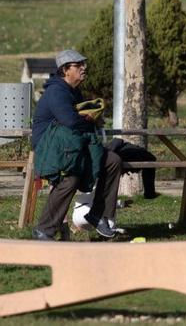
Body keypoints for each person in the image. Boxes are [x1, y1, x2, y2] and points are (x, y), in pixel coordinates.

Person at [30, 49, 124, 240]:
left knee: (112, 160)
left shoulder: (74, 92)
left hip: (71, 147)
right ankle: (44, 230)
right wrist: (90, 119)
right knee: (70, 178)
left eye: (84, 64)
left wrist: (90, 118)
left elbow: (78, 122)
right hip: (51, 151)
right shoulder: (57, 91)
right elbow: (71, 121)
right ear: (65, 70)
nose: (84, 68)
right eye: (78, 65)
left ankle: (98, 215)